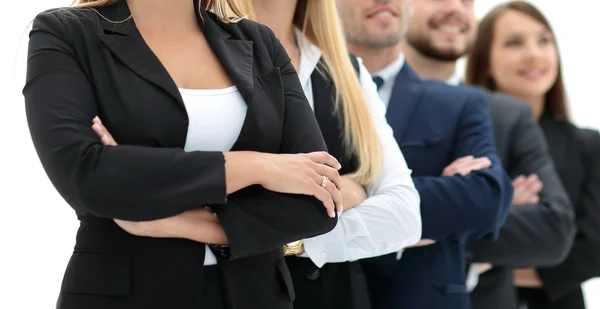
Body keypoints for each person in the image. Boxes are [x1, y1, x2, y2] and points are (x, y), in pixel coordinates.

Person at [94, 0, 423, 308]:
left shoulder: (347, 71)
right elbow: (169, 179)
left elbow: (405, 215)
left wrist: (286, 241)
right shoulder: (189, 50)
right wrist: (329, 198)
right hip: (216, 291)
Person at [22, 0, 351, 308]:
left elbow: (319, 200)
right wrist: (258, 166)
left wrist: (192, 225)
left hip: (257, 295)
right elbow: (87, 174)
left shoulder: (260, 41)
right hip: (125, 295)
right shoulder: (65, 32)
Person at [392, 0, 577, 307]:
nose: (454, 7)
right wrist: (482, 206)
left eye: (467, 0)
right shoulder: (359, 98)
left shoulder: (509, 115)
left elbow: (554, 231)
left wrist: (409, 220)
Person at [335, 0, 513, 308]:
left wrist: (354, 195)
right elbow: (287, 201)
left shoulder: (458, 103)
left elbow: (485, 199)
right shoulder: (296, 89)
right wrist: (415, 209)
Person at [466, 2, 600, 308]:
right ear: (485, 61)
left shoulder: (587, 145)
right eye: (514, 43)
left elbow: (593, 250)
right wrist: (513, 217)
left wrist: (481, 253)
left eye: (544, 40)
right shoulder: (461, 141)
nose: (534, 54)